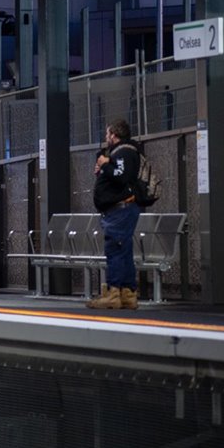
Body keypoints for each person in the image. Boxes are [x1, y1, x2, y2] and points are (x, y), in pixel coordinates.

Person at [88, 118, 144, 310]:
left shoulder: (125, 151)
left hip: (120, 210)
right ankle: (128, 293)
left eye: (107, 134)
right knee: (124, 251)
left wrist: (105, 164)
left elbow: (121, 176)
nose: (106, 138)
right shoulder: (121, 153)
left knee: (115, 250)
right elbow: (118, 174)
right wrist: (104, 167)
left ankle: (113, 293)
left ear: (114, 135)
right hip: (120, 210)